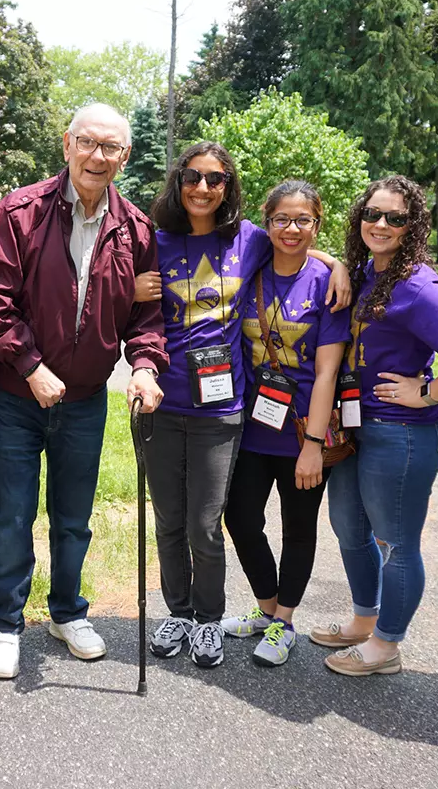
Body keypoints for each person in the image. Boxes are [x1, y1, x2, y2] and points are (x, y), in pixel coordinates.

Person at [0, 103, 168, 680]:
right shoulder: (19, 211)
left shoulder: (135, 229)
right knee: (13, 514)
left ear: (124, 158)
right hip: (17, 395)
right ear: (67, 144)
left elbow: (147, 315)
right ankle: (4, 624)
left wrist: (145, 366)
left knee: (74, 517)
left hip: (83, 400)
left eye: (111, 148)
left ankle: (66, 613)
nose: (97, 156)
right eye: (88, 143)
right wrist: (31, 367)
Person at [138, 145, 350, 669]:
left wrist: (336, 262)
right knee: (169, 520)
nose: (203, 188)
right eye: (193, 177)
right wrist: (132, 290)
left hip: (223, 410)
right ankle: (179, 612)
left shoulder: (247, 239)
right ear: (178, 180)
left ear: (229, 187)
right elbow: (124, 301)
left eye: (216, 179)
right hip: (162, 402)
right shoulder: (153, 241)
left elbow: (295, 244)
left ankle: (209, 620)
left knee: (206, 523)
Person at [311, 175, 438, 677]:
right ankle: (364, 621)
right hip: (356, 428)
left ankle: (387, 646)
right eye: (373, 214)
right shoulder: (367, 272)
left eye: (395, 217)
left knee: (395, 540)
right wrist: (334, 262)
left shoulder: (419, 285)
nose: (381, 224)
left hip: (403, 432)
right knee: (349, 529)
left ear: (412, 226)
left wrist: (429, 391)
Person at [220, 181, 351, 667]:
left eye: (304, 221)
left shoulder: (326, 285)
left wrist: (314, 444)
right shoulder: (253, 264)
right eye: (282, 219)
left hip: (302, 430)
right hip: (252, 426)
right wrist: (332, 257)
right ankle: (267, 609)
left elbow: (326, 371)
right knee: (239, 517)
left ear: (317, 223)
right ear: (266, 220)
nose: (292, 229)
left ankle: (286, 622)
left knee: (299, 527)